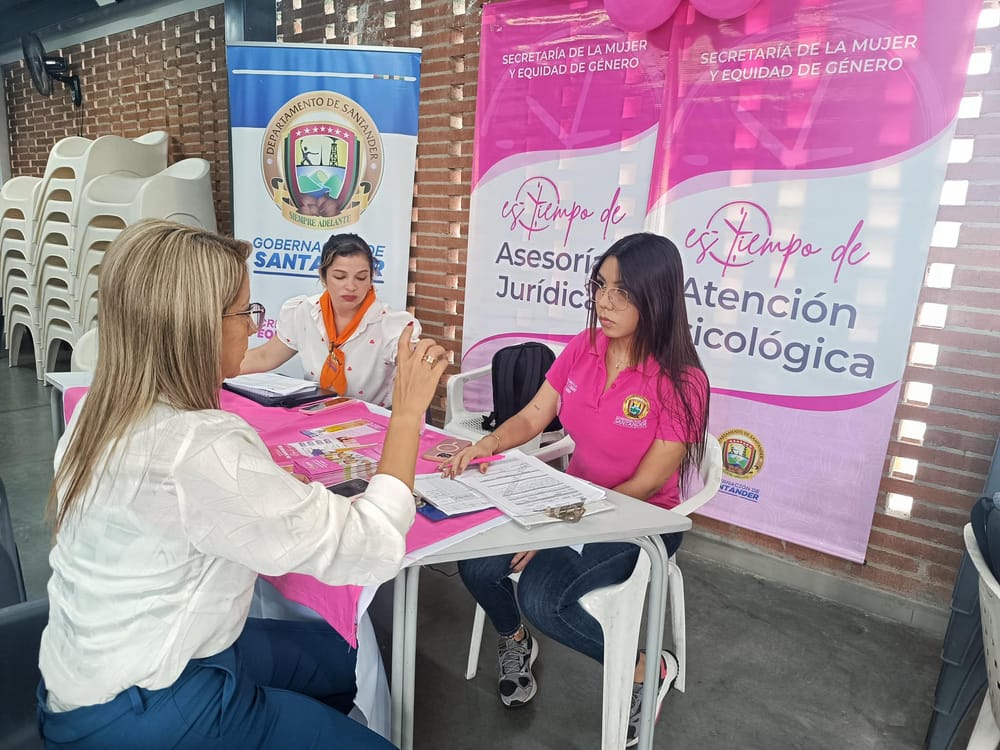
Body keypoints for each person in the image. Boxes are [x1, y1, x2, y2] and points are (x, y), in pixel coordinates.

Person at [36, 220, 449, 750]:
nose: (254, 328)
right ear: (195, 327)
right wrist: (409, 411)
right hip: (149, 706)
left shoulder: (98, 407)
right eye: (244, 313)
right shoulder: (199, 446)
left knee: (338, 662)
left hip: (85, 671)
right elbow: (366, 545)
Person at [441, 232, 709, 747]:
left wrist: (557, 529)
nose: (604, 302)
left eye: (623, 292)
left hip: (639, 519)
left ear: (657, 298)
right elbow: (536, 415)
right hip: (570, 500)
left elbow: (649, 482)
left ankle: (646, 668)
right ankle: (514, 639)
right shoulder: (584, 348)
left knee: (545, 599)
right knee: (477, 563)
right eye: (601, 285)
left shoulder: (682, 382)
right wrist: (487, 446)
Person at [240, 232, 419, 408]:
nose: (351, 286)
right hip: (317, 416)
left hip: (372, 422)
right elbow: (265, 357)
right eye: (340, 277)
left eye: (361, 277)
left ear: (372, 276)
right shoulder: (304, 312)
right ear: (323, 276)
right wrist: (216, 370)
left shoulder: (393, 326)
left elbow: (415, 384)